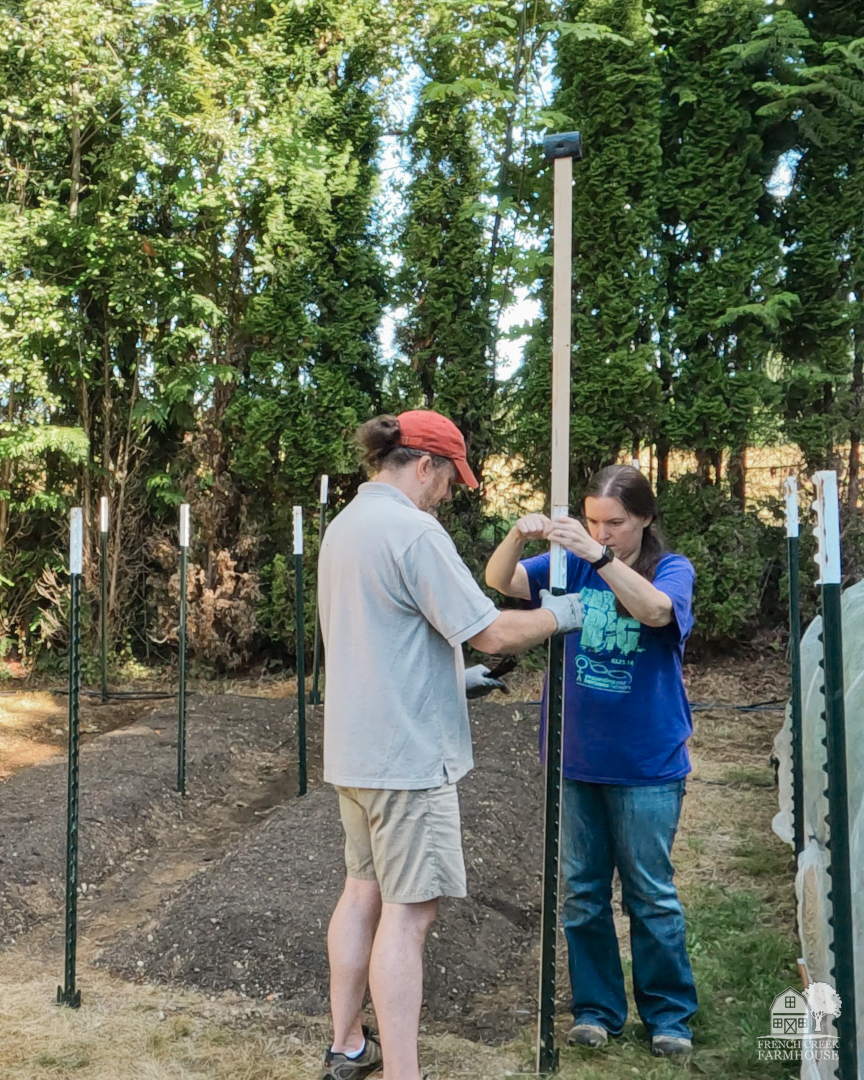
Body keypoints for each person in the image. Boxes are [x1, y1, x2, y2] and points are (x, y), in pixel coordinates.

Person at [317, 409, 584, 1080]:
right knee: (409, 916)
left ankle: (347, 1045)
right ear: (424, 465)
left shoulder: (346, 526)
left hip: (355, 749)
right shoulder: (414, 531)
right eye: (448, 481)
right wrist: (560, 615)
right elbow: (490, 631)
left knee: (361, 895)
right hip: (407, 760)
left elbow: (384, 633)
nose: (449, 495)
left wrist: (450, 678)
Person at [485, 464, 698, 1059]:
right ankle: (596, 1009)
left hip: (647, 763)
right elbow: (502, 580)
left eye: (616, 523)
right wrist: (519, 537)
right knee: (581, 892)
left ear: (646, 519)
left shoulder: (669, 569)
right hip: (574, 760)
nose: (602, 534)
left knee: (650, 893)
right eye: (592, 522)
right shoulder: (568, 564)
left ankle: (669, 1015)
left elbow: (656, 613)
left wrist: (601, 561)